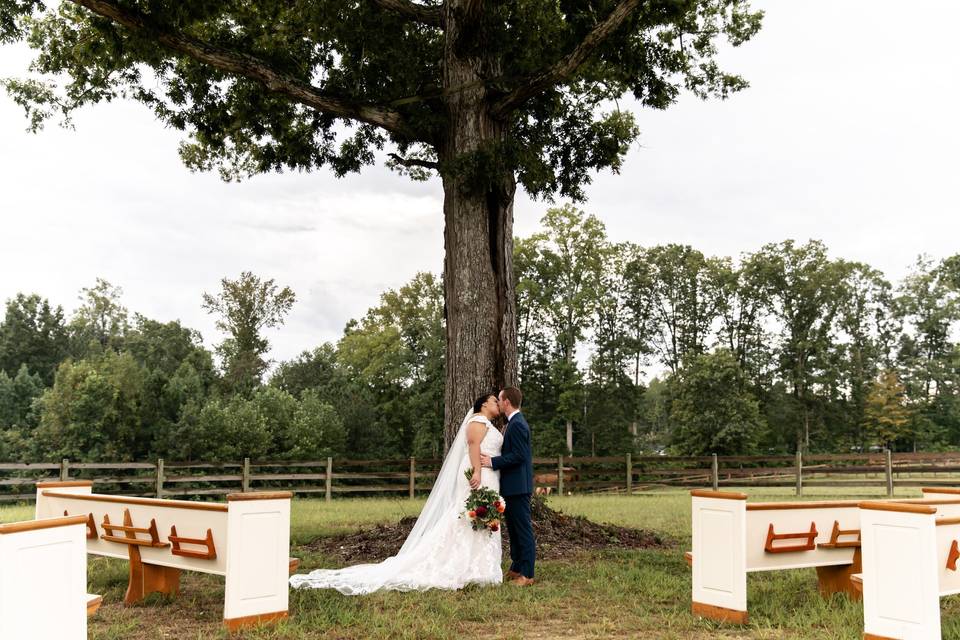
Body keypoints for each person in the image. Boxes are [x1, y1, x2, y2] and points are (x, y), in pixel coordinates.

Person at [290, 393, 504, 594]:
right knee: (468, 515)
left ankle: (480, 565)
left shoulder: (487, 424)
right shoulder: (477, 422)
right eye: (494, 401)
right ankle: (463, 565)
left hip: (489, 475)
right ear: (484, 404)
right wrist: (476, 471)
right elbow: (473, 445)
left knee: (480, 515)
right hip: (478, 475)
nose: (497, 404)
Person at [481, 386, 536, 586]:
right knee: (513, 529)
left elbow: (519, 456)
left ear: (506, 402)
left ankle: (528, 574)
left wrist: (493, 462)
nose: (499, 403)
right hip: (511, 486)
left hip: (519, 487)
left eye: (500, 399)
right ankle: (516, 567)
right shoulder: (512, 423)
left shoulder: (518, 424)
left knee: (522, 530)